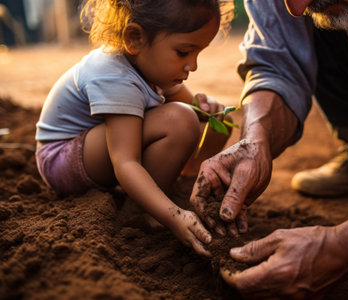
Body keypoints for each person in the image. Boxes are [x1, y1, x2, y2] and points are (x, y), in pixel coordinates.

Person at [189, 0, 348, 297]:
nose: (296, 9)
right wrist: (256, 140)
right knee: (325, 13)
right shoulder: (298, 4)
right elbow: (276, 61)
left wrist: (346, 246)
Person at [35, 0, 234, 257]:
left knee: (219, 119)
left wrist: (208, 110)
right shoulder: (113, 75)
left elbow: (195, 110)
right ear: (135, 38)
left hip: (93, 150)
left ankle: (187, 183)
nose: (193, 66)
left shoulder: (152, 65)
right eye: (184, 52)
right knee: (180, 121)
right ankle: (140, 211)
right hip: (62, 159)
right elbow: (125, 161)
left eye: (199, 53)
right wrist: (173, 217)